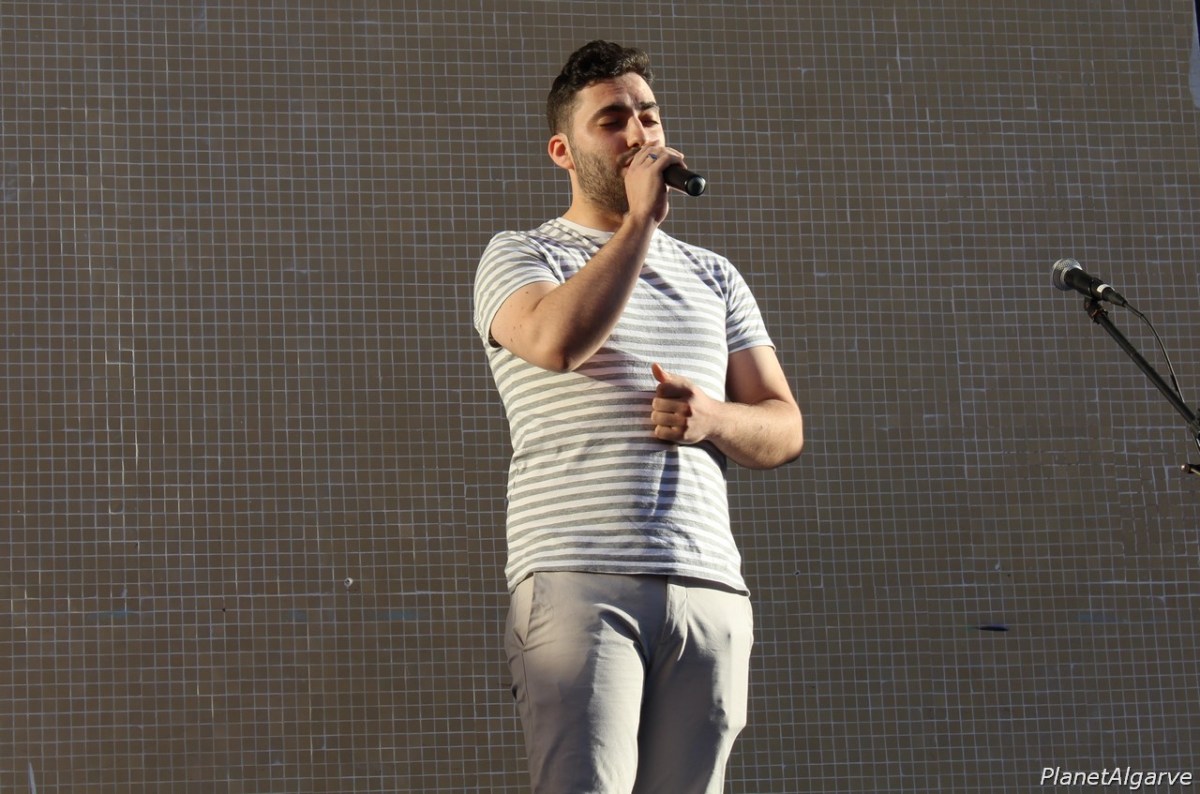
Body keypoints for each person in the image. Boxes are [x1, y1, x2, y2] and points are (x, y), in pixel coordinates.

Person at [472, 40, 804, 794]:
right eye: (612, 120)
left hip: (707, 586)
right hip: (581, 577)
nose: (639, 134)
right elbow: (557, 341)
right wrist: (638, 226)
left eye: (648, 116)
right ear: (563, 151)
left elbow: (784, 427)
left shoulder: (715, 275)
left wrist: (714, 419)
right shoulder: (522, 255)